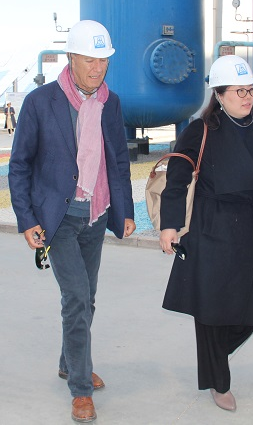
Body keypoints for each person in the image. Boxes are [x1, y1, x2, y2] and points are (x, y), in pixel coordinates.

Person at [8, 20, 136, 423]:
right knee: (77, 298)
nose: (98, 68)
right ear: (71, 58)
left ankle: (69, 362)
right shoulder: (40, 102)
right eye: (89, 60)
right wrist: (26, 219)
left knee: (87, 298)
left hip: (95, 215)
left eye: (104, 60)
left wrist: (125, 211)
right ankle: (80, 389)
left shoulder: (111, 102)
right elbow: (19, 165)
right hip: (58, 218)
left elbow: (118, 160)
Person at [159, 55, 253, 412]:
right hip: (212, 230)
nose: (248, 97)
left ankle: (212, 358)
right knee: (212, 309)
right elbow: (177, 180)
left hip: (252, 231)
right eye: (240, 91)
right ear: (219, 94)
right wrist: (169, 225)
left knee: (252, 311)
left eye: (251, 90)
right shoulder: (201, 130)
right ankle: (219, 381)